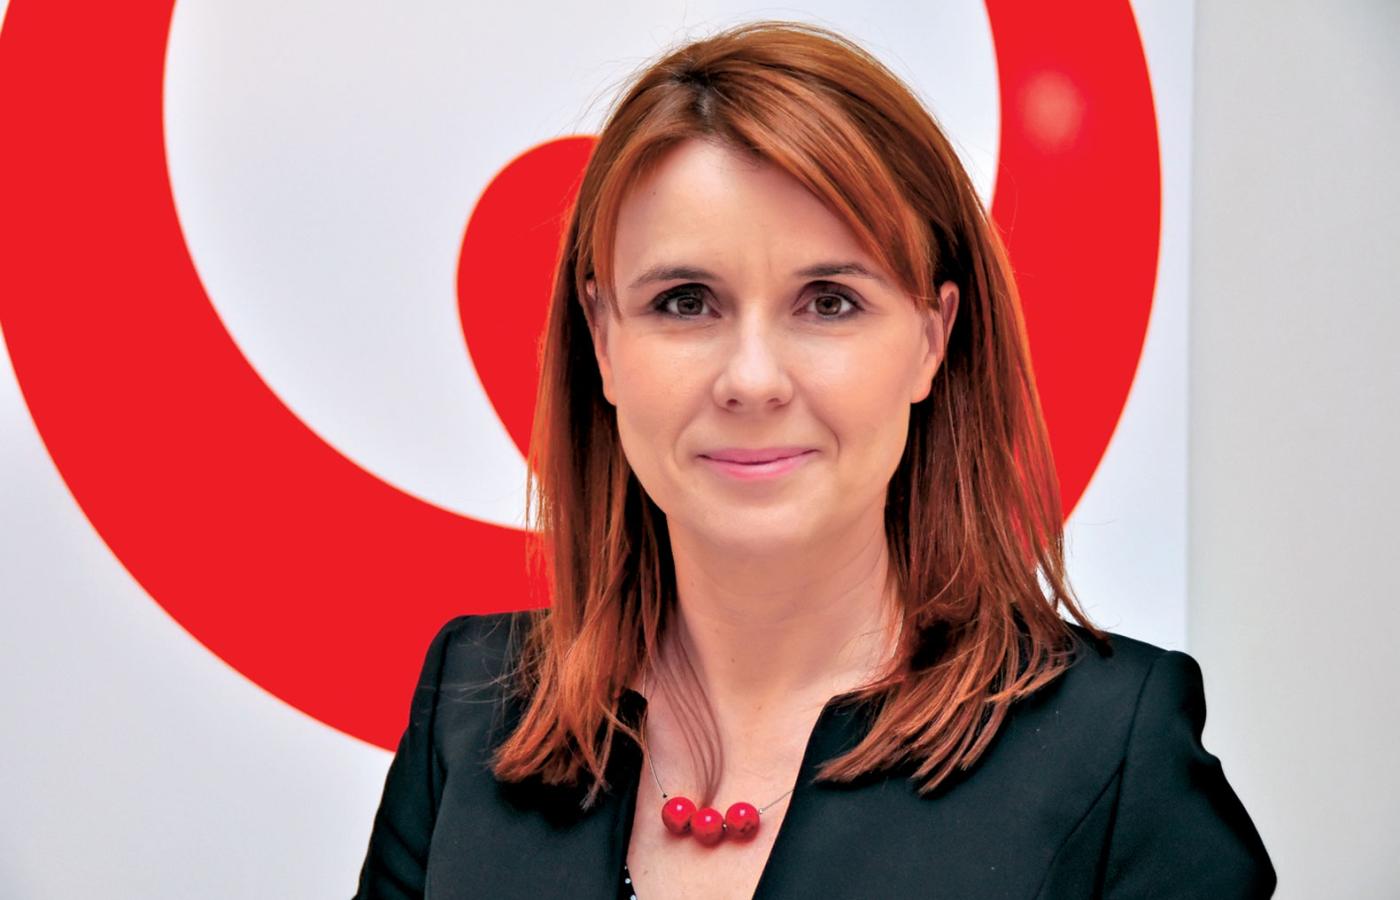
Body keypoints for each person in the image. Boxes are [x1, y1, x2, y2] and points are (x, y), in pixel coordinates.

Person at [354, 20, 1275, 899]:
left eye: (829, 301)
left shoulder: (1112, 749)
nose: (752, 380)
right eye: (685, 302)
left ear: (932, 337)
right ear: (602, 338)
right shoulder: (470, 709)